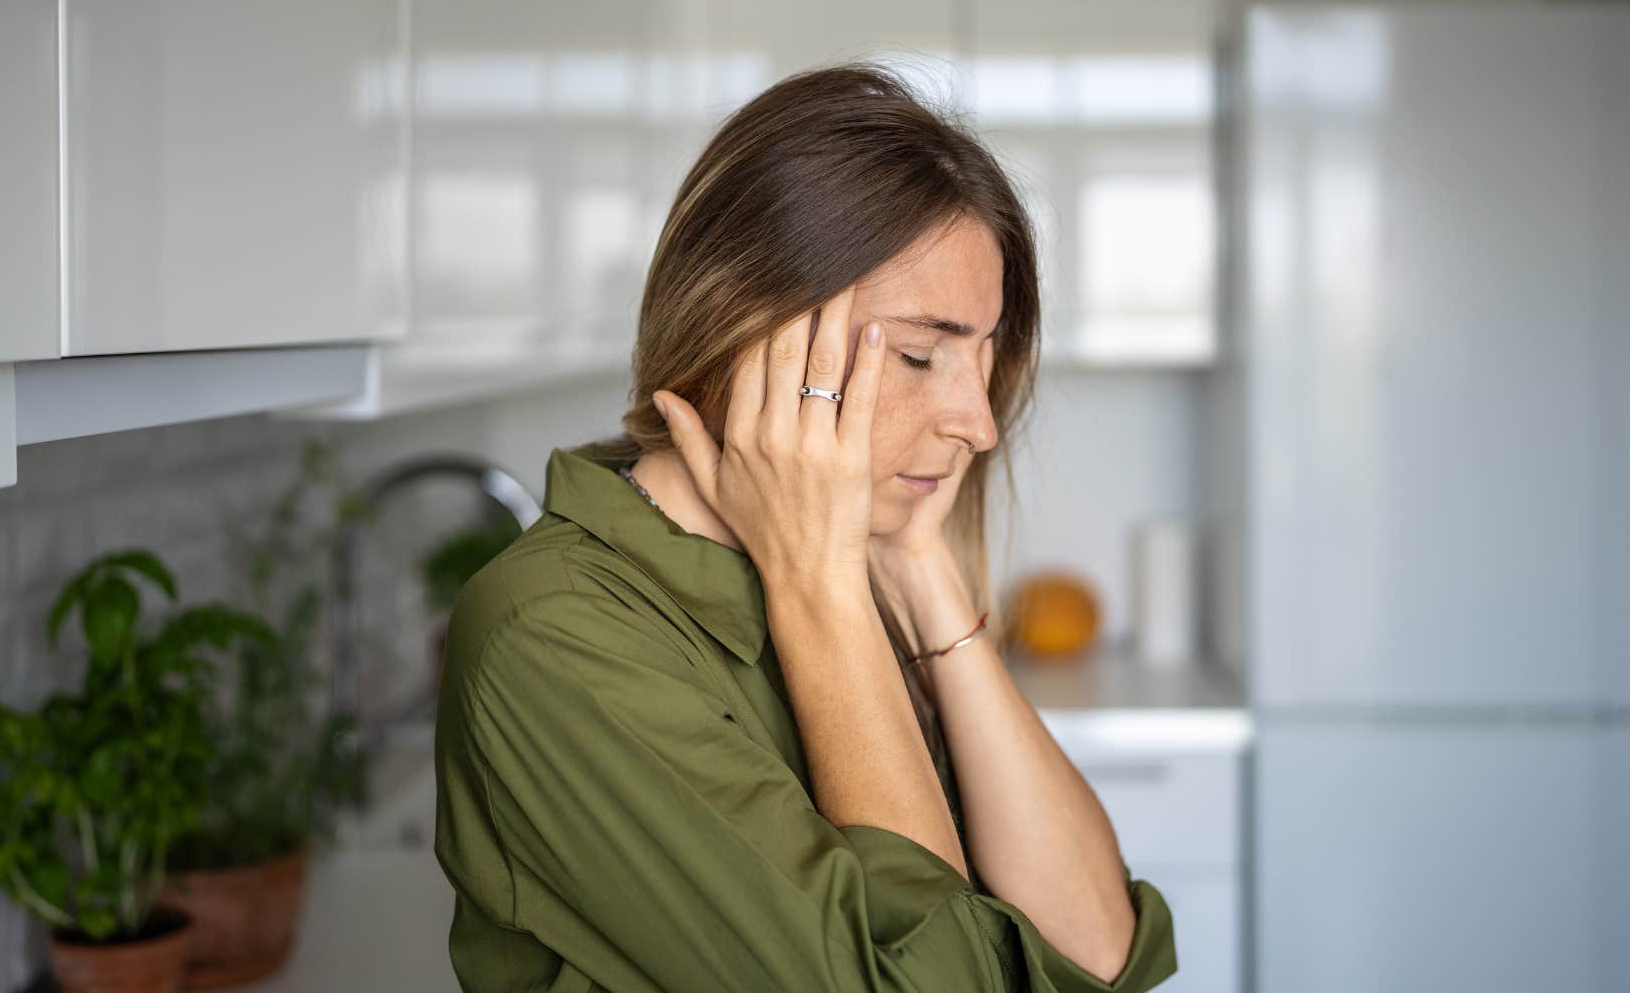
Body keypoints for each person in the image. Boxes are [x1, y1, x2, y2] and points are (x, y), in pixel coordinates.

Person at [433, 62, 1178, 992]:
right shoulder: (554, 636)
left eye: (983, 362)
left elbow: (1104, 948)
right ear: (751, 334)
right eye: (918, 354)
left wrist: (915, 566)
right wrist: (819, 587)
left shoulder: (855, 561)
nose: (978, 426)